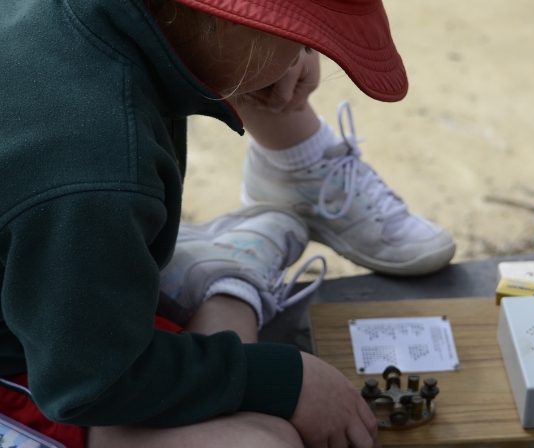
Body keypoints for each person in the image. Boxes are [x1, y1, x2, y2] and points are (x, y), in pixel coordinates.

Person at [0, 1, 453, 448]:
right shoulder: (96, 168)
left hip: (58, 307)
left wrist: (271, 51)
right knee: (263, 441)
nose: (307, 56)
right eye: (298, 35)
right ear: (228, 21)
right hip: (49, 366)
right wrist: (287, 380)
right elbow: (88, 383)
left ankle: (222, 277)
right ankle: (213, 281)